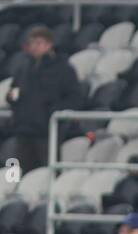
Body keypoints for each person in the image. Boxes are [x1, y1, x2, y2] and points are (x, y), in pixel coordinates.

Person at [7, 26, 82, 173]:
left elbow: (75, 98)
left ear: (49, 44)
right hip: (23, 130)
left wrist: (52, 111)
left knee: (48, 175)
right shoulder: (23, 68)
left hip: (47, 132)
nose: (34, 47)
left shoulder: (63, 69)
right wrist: (11, 98)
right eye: (32, 43)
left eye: (38, 43)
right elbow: (13, 92)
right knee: (19, 175)